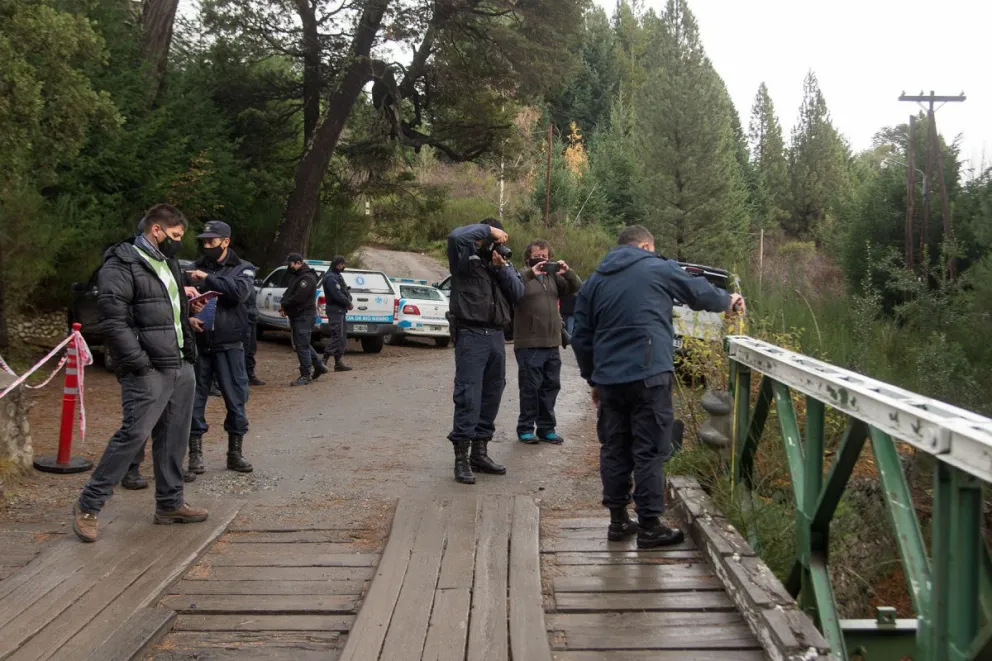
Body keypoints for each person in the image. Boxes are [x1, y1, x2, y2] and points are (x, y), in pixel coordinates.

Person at [571, 225, 745, 549]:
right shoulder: (657, 267)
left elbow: (580, 335)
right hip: (649, 374)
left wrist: (592, 377)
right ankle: (650, 526)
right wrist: (728, 300)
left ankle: (618, 521)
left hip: (609, 381)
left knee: (614, 448)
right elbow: (697, 292)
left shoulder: (595, 280)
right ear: (646, 246)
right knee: (649, 450)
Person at [73, 204, 208, 542]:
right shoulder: (121, 264)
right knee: (133, 436)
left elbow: (162, 310)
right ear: (156, 230)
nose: (179, 242)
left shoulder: (169, 262)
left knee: (174, 437)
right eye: (175, 235)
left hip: (180, 363)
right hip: (148, 369)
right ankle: (88, 506)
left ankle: (170, 504)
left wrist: (188, 313)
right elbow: (113, 322)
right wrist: (139, 363)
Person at [446, 218, 525, 484]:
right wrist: (490, 231)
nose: (494, 246)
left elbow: (519, 293)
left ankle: (479, 454)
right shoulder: (463, 259)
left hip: (497, 336)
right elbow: (456, 237)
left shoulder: (501, 264)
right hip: (471, 334)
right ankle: (461, 458)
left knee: (492, 394)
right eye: (491, 240)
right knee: (469, 395)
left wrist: (501, 268)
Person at [185, 220, 256, 474]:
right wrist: (190, 307)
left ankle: (235, 453)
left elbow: (238, 293)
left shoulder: (243, 268)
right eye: (204, 241)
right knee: (194, 401)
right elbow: (179, 299)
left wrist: (208, 279)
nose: (207, 246)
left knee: (236, 400)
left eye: (211, 241)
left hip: (230, 345)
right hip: (200, 345)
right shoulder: (193, 268)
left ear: (225, 242)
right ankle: (195, 455)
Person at [513, 240, 581, 445]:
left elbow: (576, 287)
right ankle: (526, 428)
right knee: (530, 388)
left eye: (545, 256)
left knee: (551, 386)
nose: (542, 260)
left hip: (552, 342)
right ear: (528, 258)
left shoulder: (553, 278)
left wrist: (567, 272)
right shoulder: (520, 275)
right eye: (537, 256)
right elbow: (511, 289)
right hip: (529, 342)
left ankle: (546, 428)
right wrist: (531, 273)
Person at [280, 253, 329, 386]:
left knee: (302, 345)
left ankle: (306, 374)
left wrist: (285, 304)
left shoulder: (306, 278)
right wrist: (284, 304)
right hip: (297, 315)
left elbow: (298, 298)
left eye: (290, 264)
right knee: (303, 343)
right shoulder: (297, 276)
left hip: (304, 316)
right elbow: (289, 293)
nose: (289, 267)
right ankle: (319, 366)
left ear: (298, 263)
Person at [320, 255, 353, 372]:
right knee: (337, 334)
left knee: (342, 336)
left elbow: (344, 290)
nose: (343, 266)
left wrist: (349, 298)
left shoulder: (337, 276)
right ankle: (323, 360)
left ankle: (338, 362)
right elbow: (336, 294)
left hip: (341, 310)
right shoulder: (330, 277)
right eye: (342, 264)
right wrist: (347, 302)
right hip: (334, 309)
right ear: (338, 264)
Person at [244, 281, 265, 386]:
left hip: (251, 319)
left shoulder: (249, 283)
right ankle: (244, 376)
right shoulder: (241, 282)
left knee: (251, 349)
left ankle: (250, 374)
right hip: (244, 319)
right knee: (245, 348)